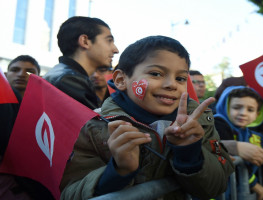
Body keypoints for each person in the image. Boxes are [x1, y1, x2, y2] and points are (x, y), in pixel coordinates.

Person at [59, 35, 234, 199]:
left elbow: (217, 186)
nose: (171, 84)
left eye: (180, 78)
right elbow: (69, 193)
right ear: (121, 80)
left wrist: (190, 151)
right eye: (156, 74)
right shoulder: (93, 126)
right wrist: (118, 171)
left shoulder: (199, 122)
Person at [44, 16, 119, 110]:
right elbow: (94, 124)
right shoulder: (70, 80)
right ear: (85, 41)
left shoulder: (59, 74)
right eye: (109, 41)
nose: (115, 50)